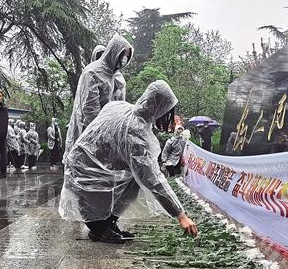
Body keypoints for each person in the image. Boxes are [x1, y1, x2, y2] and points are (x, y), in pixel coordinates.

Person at [59, 80, 198, 244]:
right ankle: (98, 228)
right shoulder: (135, 132)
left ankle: (108, 222)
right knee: (118, 189)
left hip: (84, 162)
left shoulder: (120, 106)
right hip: (85, 170)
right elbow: (152, 178)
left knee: (134, 181)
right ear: (157, 107)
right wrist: (180, 214)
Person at [65, 36, 134, 157]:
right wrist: (103, 134)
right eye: (123, 55)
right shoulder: (93, 72)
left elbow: (118, 106)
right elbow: (90, 109)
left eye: (127, 57)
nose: (124, 60)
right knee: (83, 162)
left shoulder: (113, 76)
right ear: (114, 51)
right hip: (89, 131)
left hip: (104, 132)